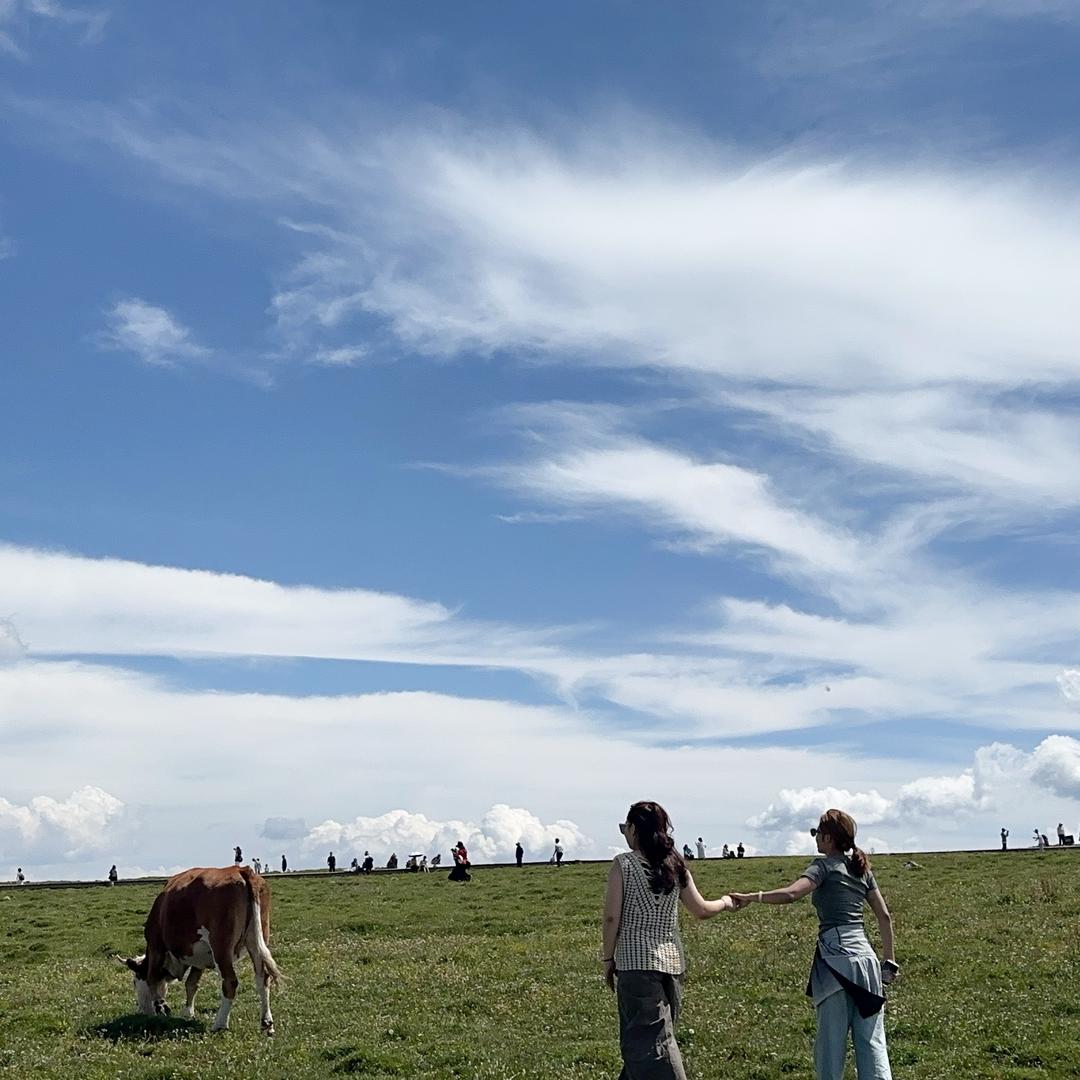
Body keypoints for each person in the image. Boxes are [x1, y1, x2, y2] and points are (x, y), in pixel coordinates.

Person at [731, 809, 896, 1080]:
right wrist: (888, 961)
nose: (815, 838)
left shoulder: (822, 866)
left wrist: (752, 896)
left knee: (831, 1048)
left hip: (835, 962)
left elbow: (792, 893)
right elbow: (885, 916)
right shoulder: (862, 870)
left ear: (828, 838)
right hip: (867, 961)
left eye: (816, 833)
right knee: (873, 1044)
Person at [603, 801, 737, 1079]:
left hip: (635, 964)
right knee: (652, 1039)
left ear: (634, 829)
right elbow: (700, 909)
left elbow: (611, 918)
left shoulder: (624, 864)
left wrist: (607, 958)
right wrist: (725, 902)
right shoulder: (675, 864)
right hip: (672, 965)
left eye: (626, 828)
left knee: (650, 1045)